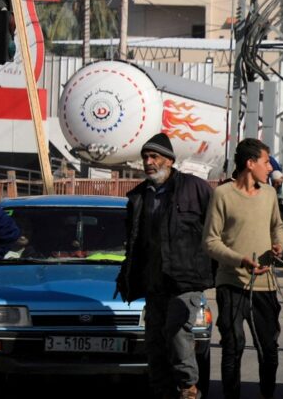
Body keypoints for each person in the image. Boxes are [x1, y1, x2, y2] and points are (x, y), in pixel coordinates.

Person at [117, 132, 214, 399]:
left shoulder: (195, 188)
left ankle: (188, 388)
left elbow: (217, 229)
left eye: (154, 156)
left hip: (186, 279)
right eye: (145, 157)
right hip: (154, 281)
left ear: (169, 160)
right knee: (155, 343)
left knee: (176, 334)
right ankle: (162, 391)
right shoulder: (138, 196)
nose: (148, 162)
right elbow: (134, 241)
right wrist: (127, 275)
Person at [203, 138, 283, 399]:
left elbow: (278, 226)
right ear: (250, 164)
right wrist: (240, 260)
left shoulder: (270, 194)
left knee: (268, 351)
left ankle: (267, 394)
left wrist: (278, 244)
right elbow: (210, 241)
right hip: (232, 283)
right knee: (232, 345)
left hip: (266, 285)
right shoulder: (222, 195)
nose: (270, 167)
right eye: (266, 162)